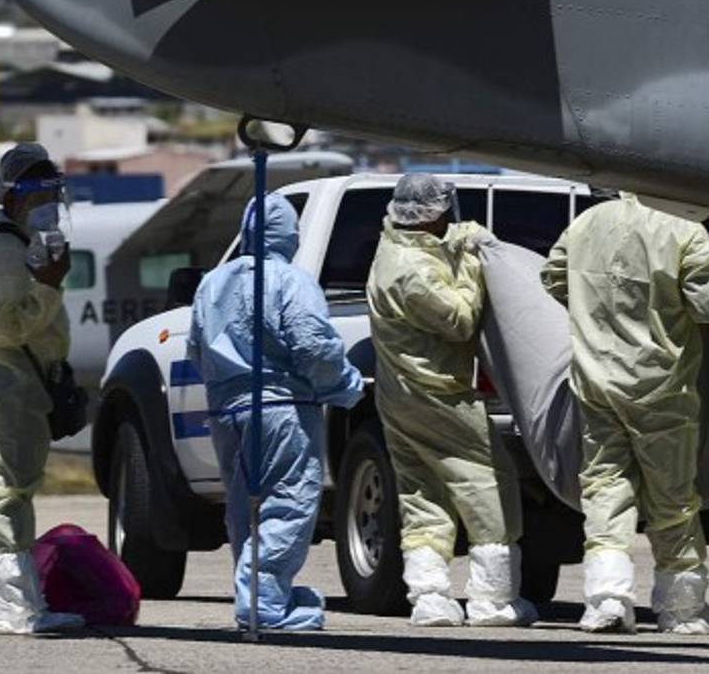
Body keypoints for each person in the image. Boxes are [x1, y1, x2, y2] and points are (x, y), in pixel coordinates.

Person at [542, 192, 709, 634]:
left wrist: (594, 310)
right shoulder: (684, 228)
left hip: (594, 380)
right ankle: (682, 610)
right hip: (660, 386)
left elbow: (553, 277)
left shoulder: (587, 222)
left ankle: (607, 599)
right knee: (673, 499)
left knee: (605, 487)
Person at [187, 193, 363, 631]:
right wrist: (344, 385)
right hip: (282, 407)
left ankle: (262, 595)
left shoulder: (213, 283)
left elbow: (195, 348)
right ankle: (262, 603)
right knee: (287, 502)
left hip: (228, 412)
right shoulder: (290, 280)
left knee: (245, 506)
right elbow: (311, 343)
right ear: (288, 233)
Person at [366, 174, 536, 628]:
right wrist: (473, 268)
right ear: (435, 213)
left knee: (422, 495)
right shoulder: (413, 272)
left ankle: (429, 597)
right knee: (488, 486)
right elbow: (460, 320)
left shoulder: (394, 249)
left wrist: (459, 241)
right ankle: (492, 599)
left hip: (400, 396)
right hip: (440, 394)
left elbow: (435, 251)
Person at [0, 143, 84, 634]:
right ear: (12, 196)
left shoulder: (16, 239)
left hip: (11, 381)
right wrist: (49, 284)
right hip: (4, 381)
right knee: (6, 489)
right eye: (36, 190)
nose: (47, 199)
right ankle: (12, 608)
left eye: (53, 189)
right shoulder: (3, 248)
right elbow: (8, 327)